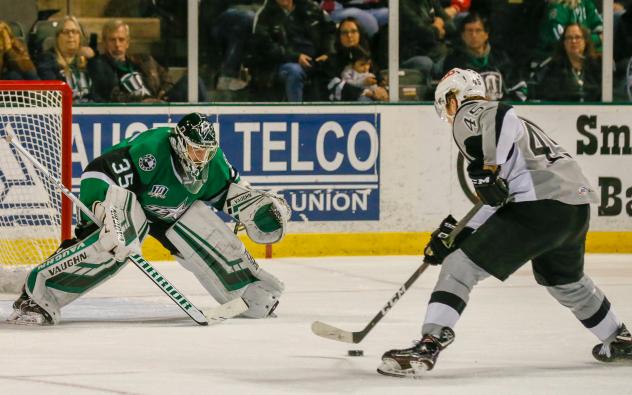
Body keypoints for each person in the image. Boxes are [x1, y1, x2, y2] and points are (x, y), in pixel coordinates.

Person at [377, 68, 632, 377]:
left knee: (459, 268)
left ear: (453, 98)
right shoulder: (508, 132)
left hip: (539, 206)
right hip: (573, 207)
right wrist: (458, 233)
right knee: (565, 281)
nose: (448, 113)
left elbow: (503, 112)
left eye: (446, 104)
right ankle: (619, 338)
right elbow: (498, 199)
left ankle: (429, 343)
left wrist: (488, 167)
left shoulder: (472, 113)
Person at [8, 112, 290, 325]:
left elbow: (231, 194)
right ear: (180, 143)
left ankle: (250, 292)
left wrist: (257, 208)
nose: (201, 157)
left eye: (206, 151)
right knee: (112, 244)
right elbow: (98, 172)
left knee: (208, 229)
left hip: (171, 212)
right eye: (195, 150)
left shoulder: (213, 162)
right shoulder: (152, 150)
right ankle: (36, 299)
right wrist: (108, 213)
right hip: (126, 203)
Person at [88, 19, 208, 103]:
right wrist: (142, 101)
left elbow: (167, 78)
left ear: (127, 43)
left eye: (121, 39)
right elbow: (113, 96)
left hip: (160, 103)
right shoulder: (100, 65)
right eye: (112, 40)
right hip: (133, 110)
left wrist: (162, 93)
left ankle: (210, 127)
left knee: (193, 81)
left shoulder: (144, 60)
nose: (117, 45)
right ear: (104, 43)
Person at [249, 0, 336, 102]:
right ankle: (295, 113)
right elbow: (265, 47)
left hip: (314, 60)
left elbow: (330, 30)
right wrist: (295, 57)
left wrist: (327, 52)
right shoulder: (265, 14)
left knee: (334, 64)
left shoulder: (313, 8)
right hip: (279, 64)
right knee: (294, 71)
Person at [442, 12, 527, 101]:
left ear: (486, 34)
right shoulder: (454, 62)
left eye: (478, 30)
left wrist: (500, 105)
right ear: (463, 35)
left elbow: (521, 89)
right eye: (469, 31)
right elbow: (447, 94)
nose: (474, 35)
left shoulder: (501, 59)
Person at [324, 17, 388, 101]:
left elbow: (378, 78)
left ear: (359, 34)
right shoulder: (331, 61)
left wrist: (383, 89)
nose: (349, 36)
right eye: (344, 32)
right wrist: (366, 92)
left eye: (353, 31)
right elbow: (334, 85)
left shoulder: (366, 56)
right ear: (339, 36)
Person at [533, 23, 601, 102]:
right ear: (564, 43)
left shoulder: (597, 66)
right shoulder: (552, 68)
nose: (573, 41)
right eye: (569, 38)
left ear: (585, 41)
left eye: (578, 37)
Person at [36, 16, 94, 102]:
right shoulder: (47, 60)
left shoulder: (88, 61)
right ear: (57, 37)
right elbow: (53, 94)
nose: (70, 35)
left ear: (80, 37)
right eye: (65, 32)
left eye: (74, 32)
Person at [537, 0, 603, 59]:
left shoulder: (585, 2)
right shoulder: (558, 7)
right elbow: (564, 42)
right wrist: (597, 39)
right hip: (560, 57)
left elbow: (598, 25)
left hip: (588, 50)